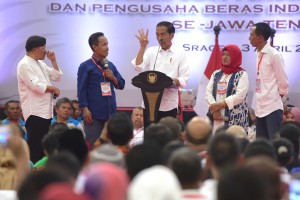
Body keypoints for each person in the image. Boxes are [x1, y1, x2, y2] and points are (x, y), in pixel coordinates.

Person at [131, 21, 189, 122]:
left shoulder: (180, 54)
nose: (159, 38)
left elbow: (184, 79)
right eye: (157, 34)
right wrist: (142, 47)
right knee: (150, 135)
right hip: (149, 103)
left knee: (167, 136)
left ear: (171, 35)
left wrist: (168, 81)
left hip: (169, 104)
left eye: (163, 34)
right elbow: (138, 67)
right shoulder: (151, 51)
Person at [17, 35, 63, 163]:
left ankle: (41, 172)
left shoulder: (41, 63)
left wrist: (53, 61)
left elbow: (57, 76)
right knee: (35, 146)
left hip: (45, 112)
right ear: (35, 49)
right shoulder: (24, 64)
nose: (45, 50)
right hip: (35, 112)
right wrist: (53, 89)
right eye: (43, 48)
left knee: (43, 145)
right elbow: (35, 85)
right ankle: (33, 174)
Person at [77, 32, 125, 146]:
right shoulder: (86, 66)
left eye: (107, 44)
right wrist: (84, 108)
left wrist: (113, 77)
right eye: (104, 44)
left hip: (111, 114)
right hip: (94, 115)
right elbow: (81, 89)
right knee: (94, 146)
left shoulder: (110, 65)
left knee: (111, 146)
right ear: (94, 47)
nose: (107, 47)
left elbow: (121, 84)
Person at [249, 22, 288, 140]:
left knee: (274, 145)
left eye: (251, 35)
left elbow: (283, 82)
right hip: (260, 107)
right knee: (262, 145)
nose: (249, 38)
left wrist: (277, 98)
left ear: (260, 37)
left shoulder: (274, 54)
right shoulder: (258, 53)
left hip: (272, 108)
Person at [206, 44, 249, 133]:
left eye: (228, 55)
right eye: (223, 54)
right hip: (215, 116)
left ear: (235, 57)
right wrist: (215, 109)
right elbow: (208, 93)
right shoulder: (216, 73)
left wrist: (220, 105)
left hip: (234, 116)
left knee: (234, 142)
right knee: (216, 142)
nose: (224, 57)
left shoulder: (242, 74)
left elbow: (240, 96)